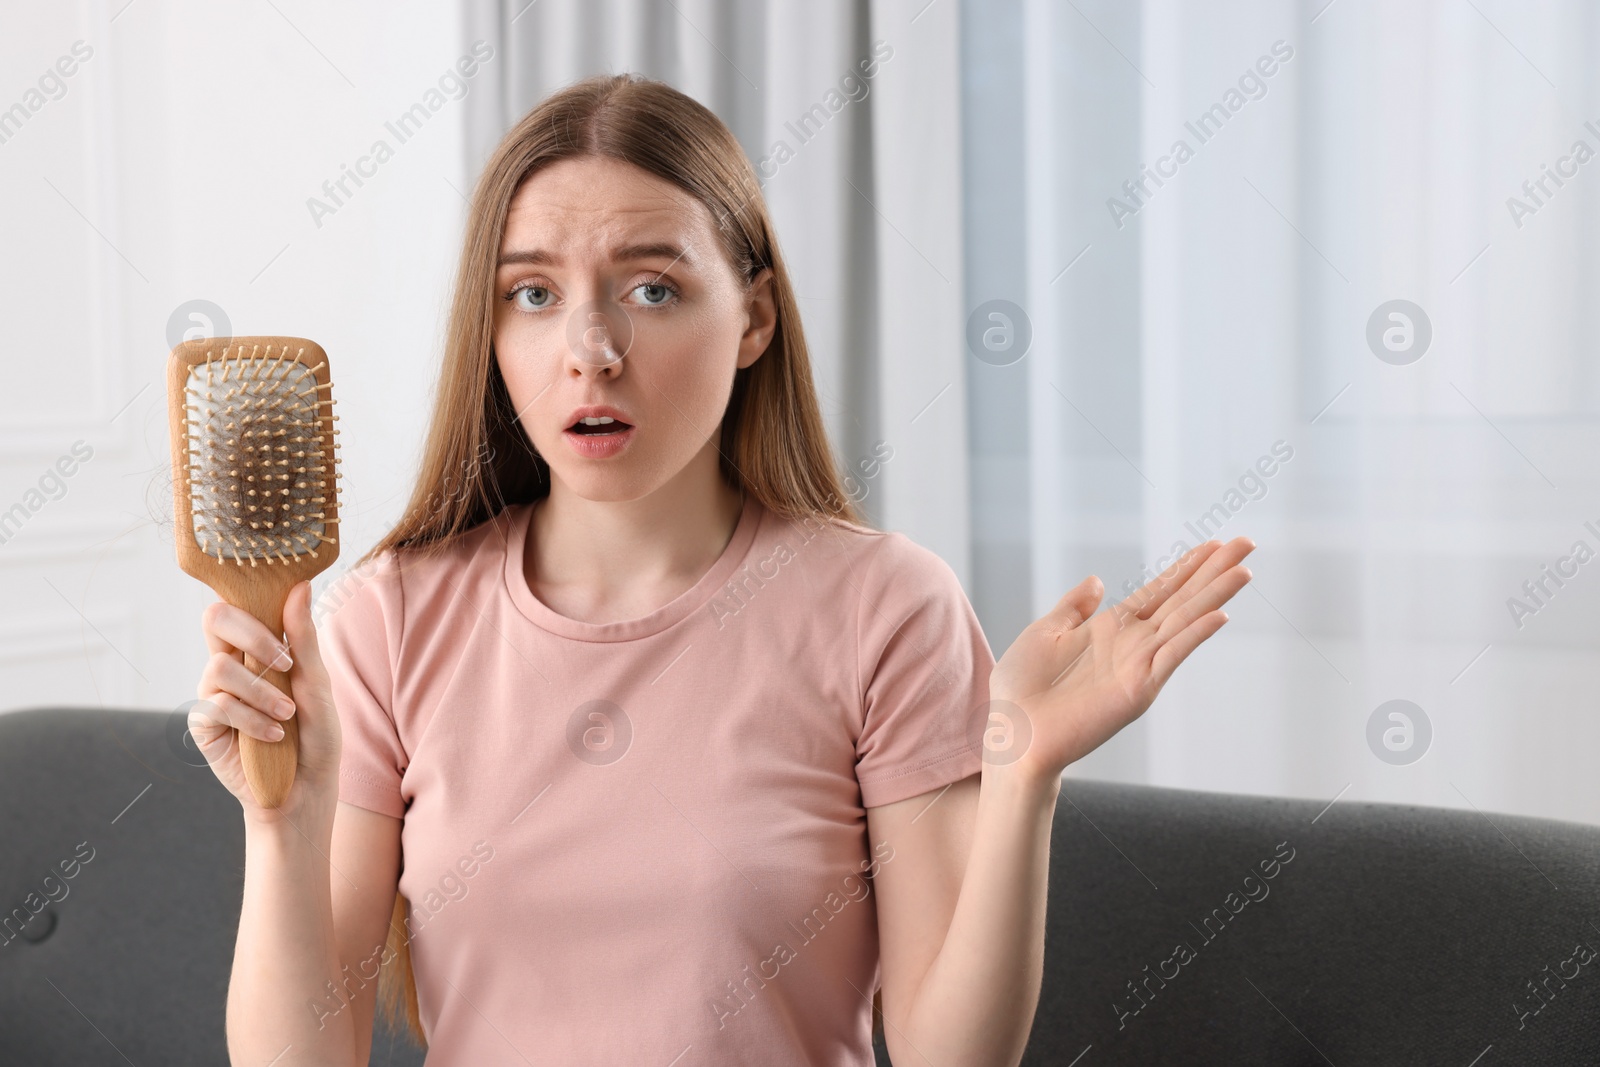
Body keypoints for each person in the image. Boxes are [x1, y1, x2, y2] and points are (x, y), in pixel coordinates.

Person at [190, 72, 1254, 1066]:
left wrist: (1021, 777)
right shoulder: (389, 619)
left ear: (753, 316)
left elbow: (947, 1051)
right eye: (532, 294)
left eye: (651, 289)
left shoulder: (884, 606)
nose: (590, 347)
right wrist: (283, 820)